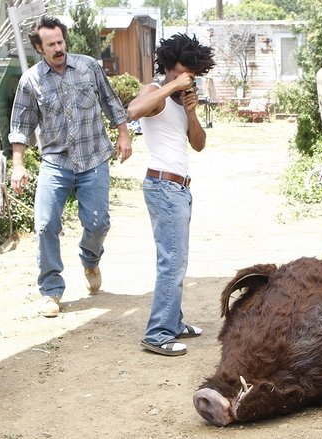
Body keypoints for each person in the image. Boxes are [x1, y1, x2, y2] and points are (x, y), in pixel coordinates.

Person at [8, 16, 132, 318]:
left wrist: (124, 134)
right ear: (39, 47)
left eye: (61, 41)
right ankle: (52, 290)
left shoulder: (88, 67)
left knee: (98, 222)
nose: (58, 48)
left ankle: (90, 259)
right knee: (45, 223)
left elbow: (111, 102)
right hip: (56, 161)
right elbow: (21, 126)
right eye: (51, 44)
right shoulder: (31, 81)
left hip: (94, 158)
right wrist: (18, 165)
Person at [126, 33, 215, 356]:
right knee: (171, 263)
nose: (188, 75)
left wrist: (191, 111)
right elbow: (133, 110)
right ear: (168, 65)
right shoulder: (156, 92)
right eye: (183, 69)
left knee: (178, 260)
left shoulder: (179, 101)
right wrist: (172, 86)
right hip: (163, 185)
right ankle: (157, 333)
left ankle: (173, 322)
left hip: (179, 187)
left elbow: (199, 144)